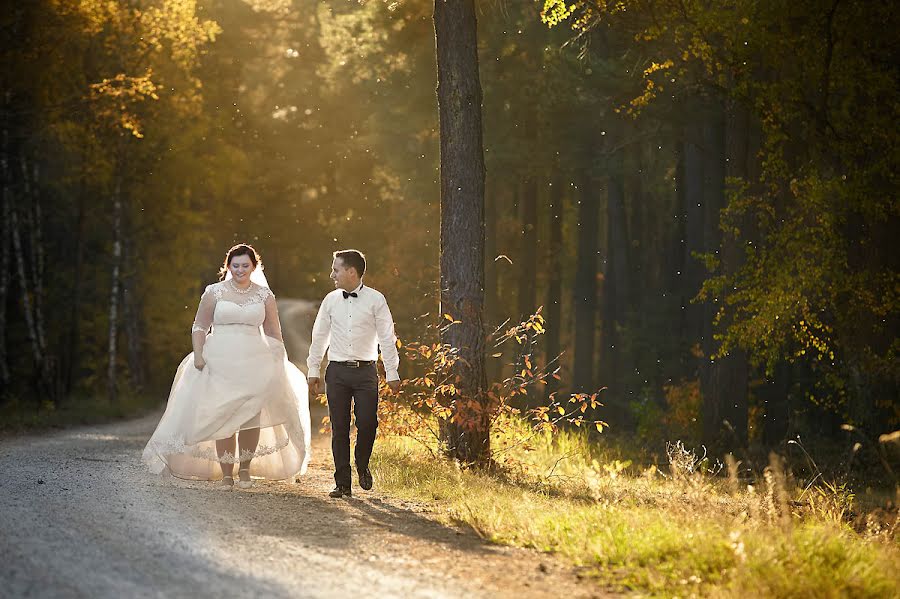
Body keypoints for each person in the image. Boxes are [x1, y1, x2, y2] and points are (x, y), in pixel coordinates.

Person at [142, 244, 311, 489]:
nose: (240, 270)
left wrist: (277, 359)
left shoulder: (265, 296)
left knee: (250, 415)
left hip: (255, 360)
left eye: (245, 265)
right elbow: (200, 326)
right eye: (235, 265)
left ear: (254, 266)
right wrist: (199, 354)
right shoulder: (214, 292)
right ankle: (226, 473)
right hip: (219, 359)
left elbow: (274, 332)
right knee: (223, 415)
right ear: (228, 266)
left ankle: (244, 469)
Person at [307, 249, 400, 498]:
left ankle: (362, 463)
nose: (332, 274)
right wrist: (313, 369)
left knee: (368, 423)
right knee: (339, 428)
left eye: (336, 269)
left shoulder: (376, 300)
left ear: (351, 271)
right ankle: (342, 483)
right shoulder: (330, 300)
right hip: (336, 372)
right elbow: (319, 337)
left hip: (366, 372)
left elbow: (387, 338)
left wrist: (392, 371)